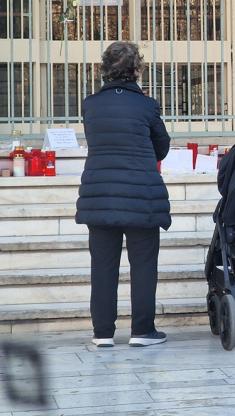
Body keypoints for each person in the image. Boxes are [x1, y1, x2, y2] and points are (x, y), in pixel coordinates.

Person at [76, 41, 171, 347]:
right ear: (137, 69)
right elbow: (162, 147)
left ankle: (103, 333)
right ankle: (143, 331)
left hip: (100, 193)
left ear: (104, 69)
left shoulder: (90, 105)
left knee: (102, 267)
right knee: (144, 265)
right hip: (141, 195)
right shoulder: (147, 105)